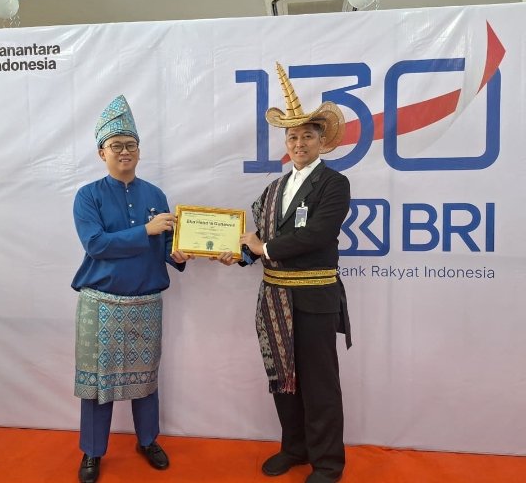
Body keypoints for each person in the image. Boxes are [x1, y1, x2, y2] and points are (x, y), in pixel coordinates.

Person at [214, 63, 352, 483]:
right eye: (292, 137)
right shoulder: (273, 189)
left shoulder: (334, 184)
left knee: (319, 383)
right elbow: (258, 237)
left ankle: (327, 463)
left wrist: (264, 249)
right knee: (284, 379)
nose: (298, 143)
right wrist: (237, 254)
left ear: (321, 141)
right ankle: (294, 448)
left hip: (314, 299)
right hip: (274, 298)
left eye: (307, 136)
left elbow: (317, 234)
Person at [71, 94, 193, 483]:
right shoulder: (88, 196)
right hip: (100, 303)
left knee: (146, 377)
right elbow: (96, 244)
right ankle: (92, 451)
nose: (124, 151)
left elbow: (164, 244)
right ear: (101, 152)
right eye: (116, 145)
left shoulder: (155, 195)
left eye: (131, 145)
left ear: (139, 151)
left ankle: (147, 440)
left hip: (146, 302)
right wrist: (146, 230)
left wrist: (181, 253)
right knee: (97, 384)